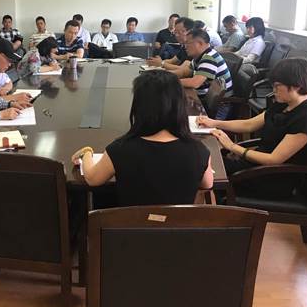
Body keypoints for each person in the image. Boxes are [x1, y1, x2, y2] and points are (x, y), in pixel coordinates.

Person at [71, 69, 213, 207]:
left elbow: (92, 178)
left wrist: (87, 152)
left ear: (139, 106)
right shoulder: (199, 150)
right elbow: (208, 184)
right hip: (180, 223)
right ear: (180, 105)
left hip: (130, 223)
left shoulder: (120, 149)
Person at [198, 58, 307, 199]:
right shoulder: (284, 105)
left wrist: (233, 147)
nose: (274, 90)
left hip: (275, 177)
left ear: (297, 86)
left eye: (277, 86)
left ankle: (218, 206)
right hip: (259, 165)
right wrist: (214, 123)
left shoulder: (306, 118)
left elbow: (273, 159)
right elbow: (249, 124)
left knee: (208, 168)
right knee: (208, 162)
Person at [180, 29, 233, 119]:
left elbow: (195, 83)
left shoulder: (209, 57)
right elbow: (186, 72)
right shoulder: (200, 56)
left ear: (200, 43)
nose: (185, 47)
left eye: (188, 43)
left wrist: (172, 81)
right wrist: (165, 75)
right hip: (207, 100)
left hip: (219, 106)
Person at [0, 39, 32, 103]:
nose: (9, 64)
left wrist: (5, 89)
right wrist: (14, 97)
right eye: (8, 60)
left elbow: (9, 82)